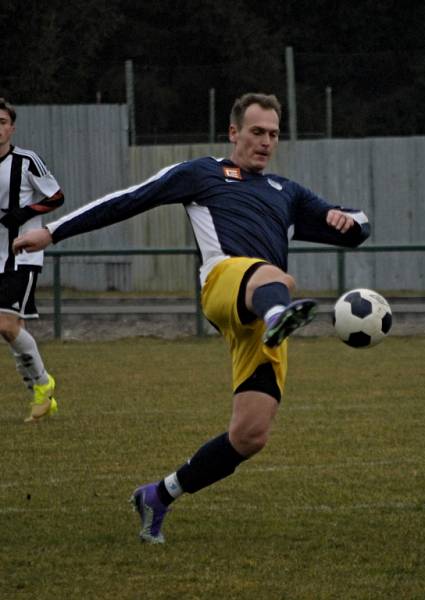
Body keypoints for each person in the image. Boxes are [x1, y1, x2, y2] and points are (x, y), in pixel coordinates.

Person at [13, 92, 370, 544]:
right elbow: (128, 199)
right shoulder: (203, 173)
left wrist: (345, 219)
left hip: (259, 316)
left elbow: (357, 229)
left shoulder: (288, 194)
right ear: (233, 132)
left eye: (274, 134)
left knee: (251, 434)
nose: (265, 142)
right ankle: (280, 312)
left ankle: (160, 495)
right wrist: (52, 231)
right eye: (256, 132)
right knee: (274, 276)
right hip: (224, 284)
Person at [0, 97, 64, 423]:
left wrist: (23, 213)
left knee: (6, 325)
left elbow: (56, 196)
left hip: (22, 255)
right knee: (13, 330)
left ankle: (43, 385)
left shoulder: (26, 161)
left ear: (11, 127)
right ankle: (42, 396)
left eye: (2, 122)